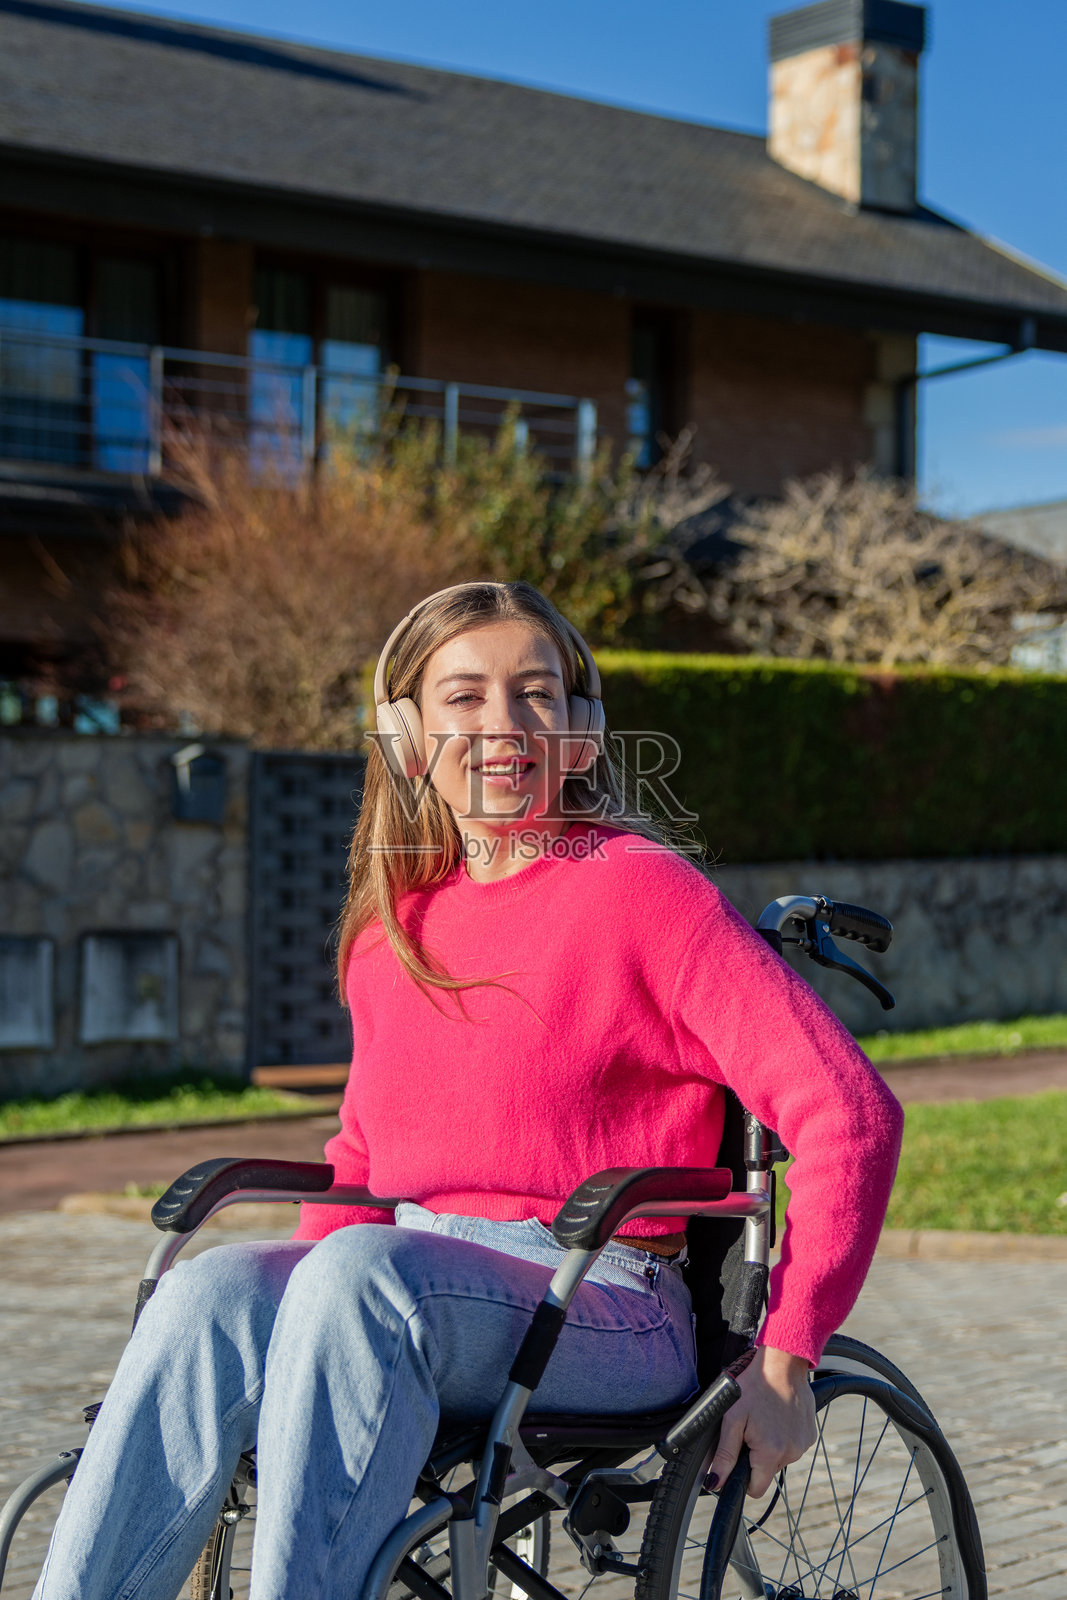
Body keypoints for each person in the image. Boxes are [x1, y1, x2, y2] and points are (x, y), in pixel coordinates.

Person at [34, 580, 903, 1600]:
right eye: (464, 696)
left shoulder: (639, 889)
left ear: (580, 729)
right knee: (207, 1291)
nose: (503, 725)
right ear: (405, 734)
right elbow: (360, 1157)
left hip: (604, 1299)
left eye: (535, 694)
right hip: (397, 1275)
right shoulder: (392, 926)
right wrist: (306, 1322)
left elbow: (847, 1109)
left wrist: (786, 1359)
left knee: (359, 1275)